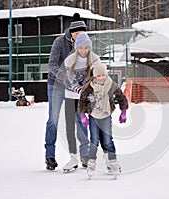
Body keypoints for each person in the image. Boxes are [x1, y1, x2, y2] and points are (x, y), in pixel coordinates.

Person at [44, 13, 86, 170]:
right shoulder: (59, 42)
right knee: (53, 119)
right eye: (78, 34)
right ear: (72, 32)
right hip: (56, 85)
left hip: (74, 88)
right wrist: (66, 77)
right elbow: (52, 65)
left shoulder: (84, 45)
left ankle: (85, 154)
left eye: (83, 34)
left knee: (80, 119)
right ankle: (50, 155)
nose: (80, 37)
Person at [78, 62, 128, 175]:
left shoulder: (111, 85)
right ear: (94, 76)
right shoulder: (89, 87)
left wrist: (123, 111)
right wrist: (82, 115)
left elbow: (121, 97)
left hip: (105, 116)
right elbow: (82, 101)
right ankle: (91, 163)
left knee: (107, 140)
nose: (101, 78)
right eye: (98, 75)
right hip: (93, 117)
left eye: (103, 75)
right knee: (94, 141)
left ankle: (113, 162)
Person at [62, 32, 100, 171]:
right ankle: (73, 157)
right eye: (80, 48)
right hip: (71, 96)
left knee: (84, 125)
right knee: (70, 127)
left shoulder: (95, 59)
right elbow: (70, 80)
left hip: (86, 98)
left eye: (86, 47)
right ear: (76, 48)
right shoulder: (69, 60)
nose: (83, 51)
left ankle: (85, 155)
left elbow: (97, 77)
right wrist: (78, 89)